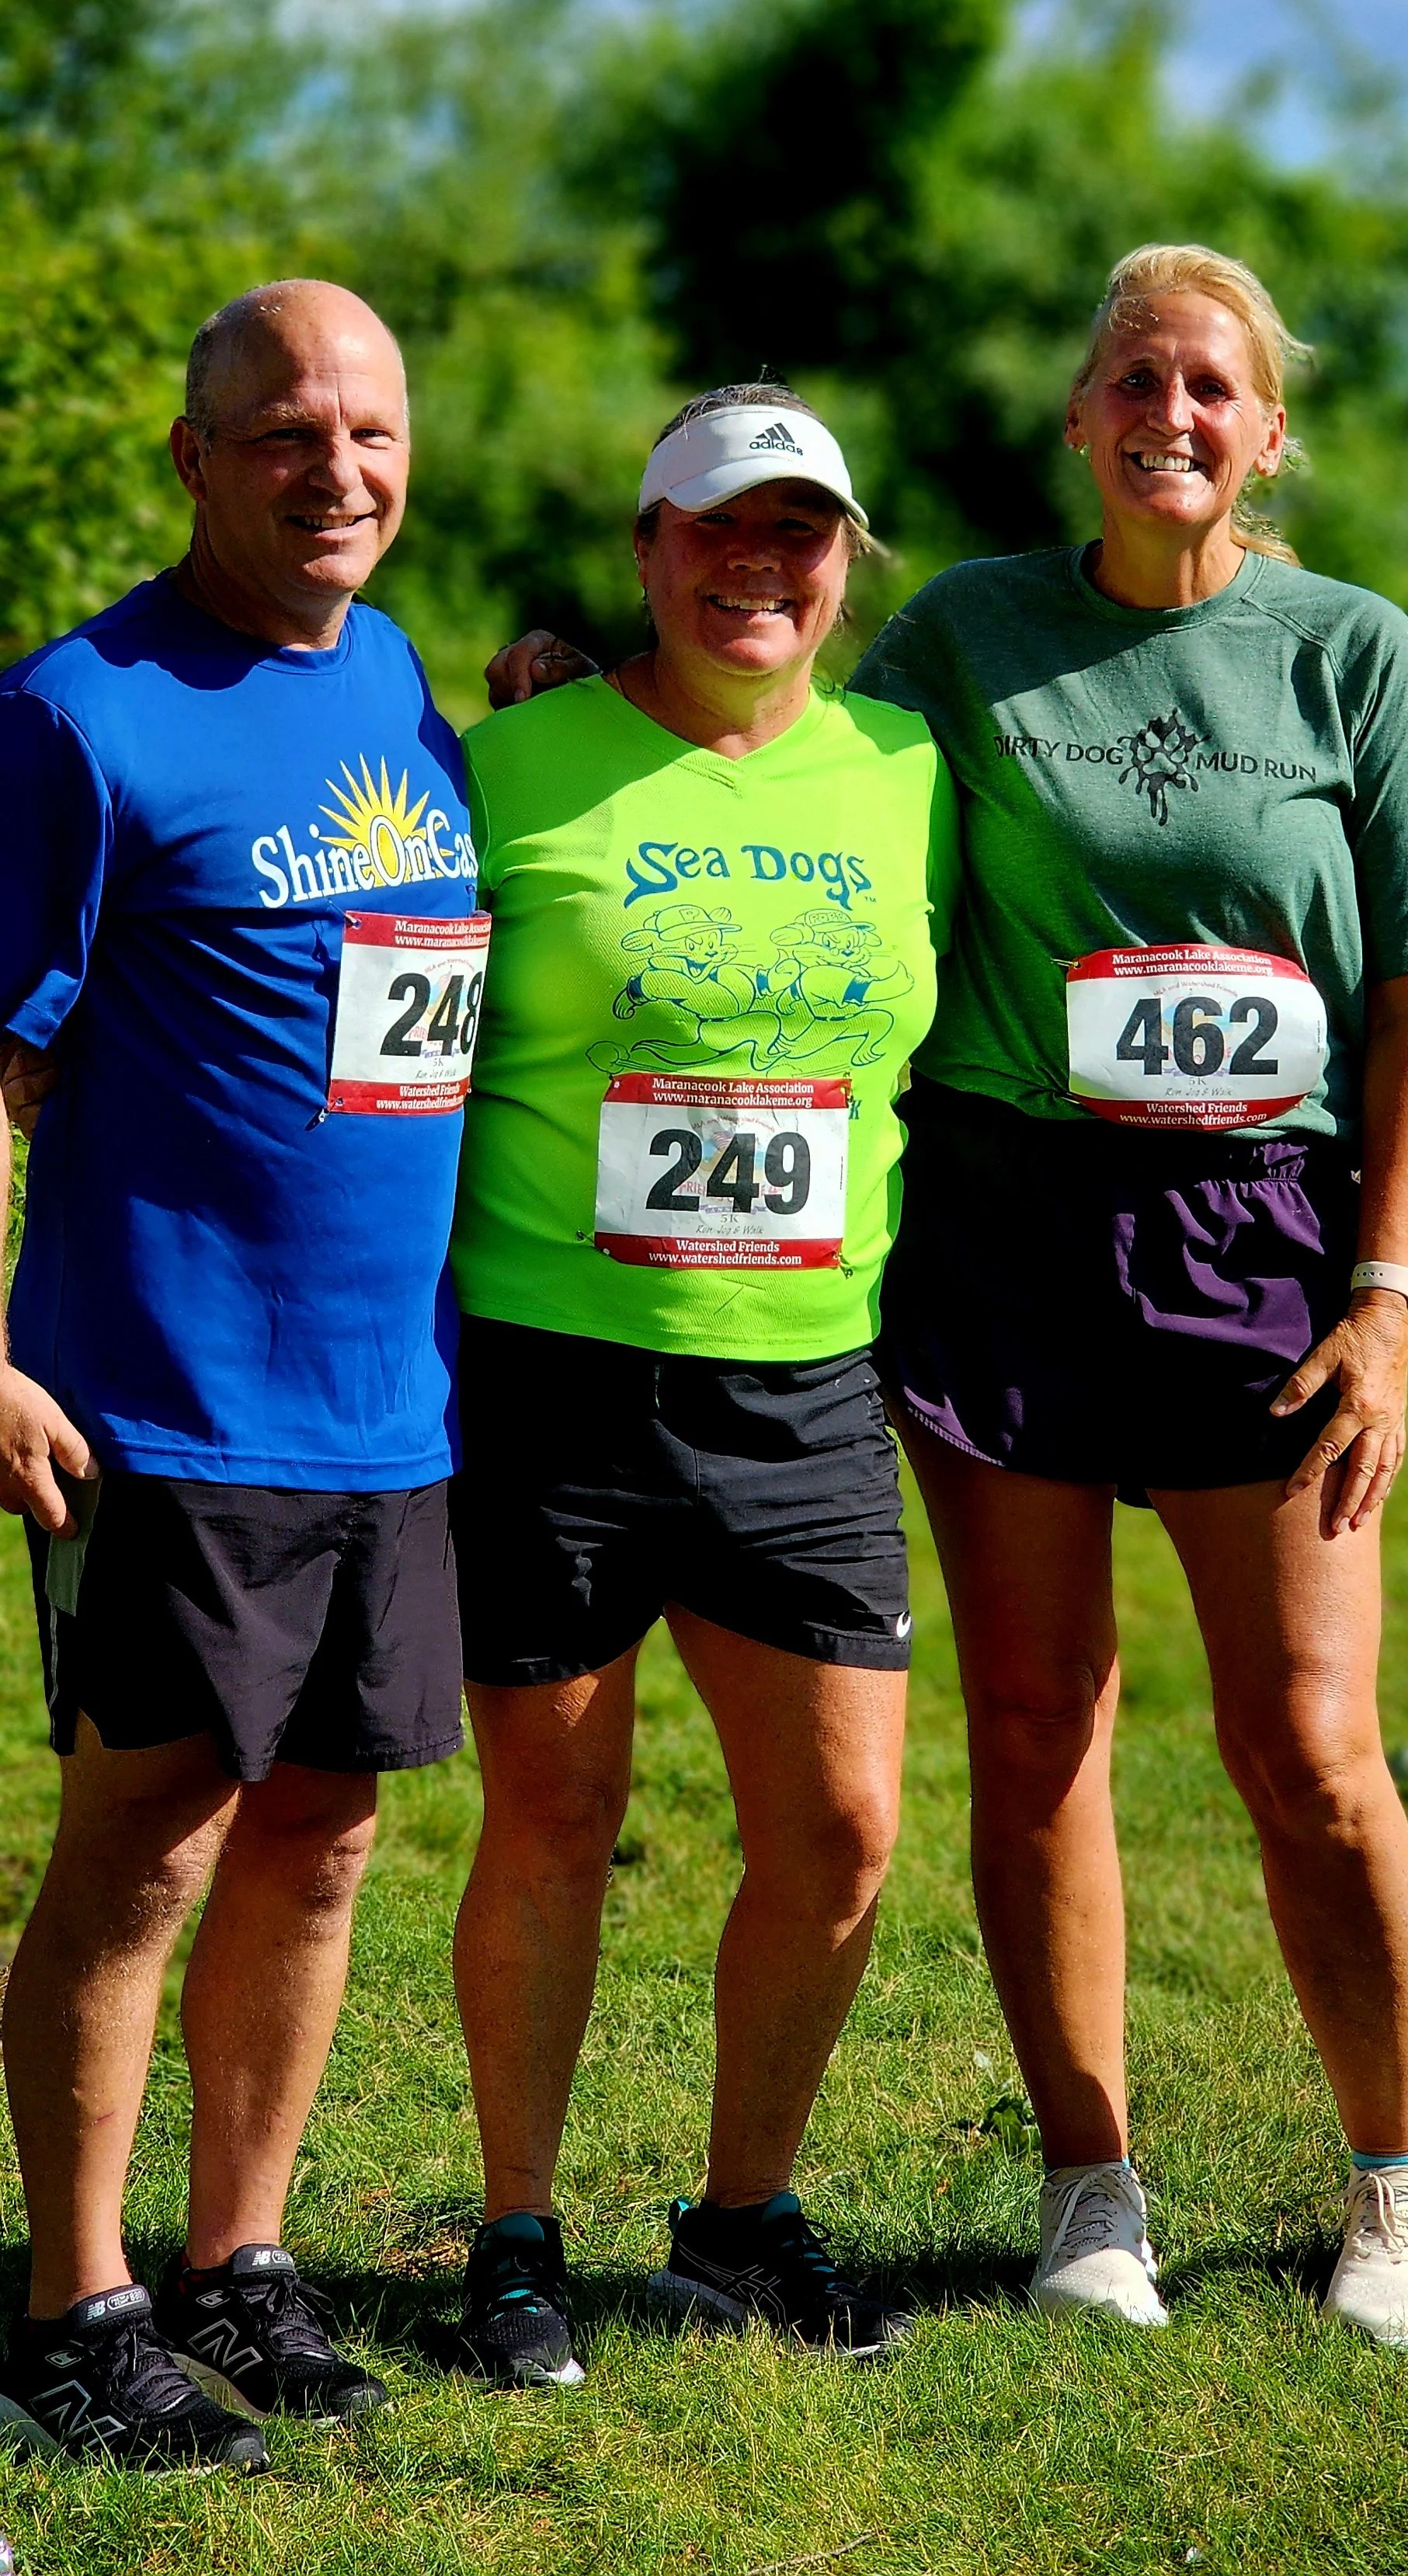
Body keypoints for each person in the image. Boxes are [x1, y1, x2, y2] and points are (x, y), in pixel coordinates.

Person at [851, 243, 1408, 2344]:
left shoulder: (1354, 657)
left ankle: (1401, 2185)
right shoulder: (964, 637)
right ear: (1078, 419)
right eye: (1132, 381)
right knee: (1032, 1730)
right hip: (1009, 1227)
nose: (1167, 417)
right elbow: (803, 788)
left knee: (1308, 1742)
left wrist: (1383, 1289)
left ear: (1262, 431)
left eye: (1208, 388)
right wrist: (603, 688)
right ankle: (1087, 2189)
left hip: (1269, 1244)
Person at [0, 280, 483, 2468]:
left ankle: (242, 2259)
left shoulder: (397, 682)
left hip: (388, 1407)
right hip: (160, 1397)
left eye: (372, 433)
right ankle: (75, 2300)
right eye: (288, 433)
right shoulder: (83, 717)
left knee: (323, 1835)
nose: (340, 471)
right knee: (151, 1851)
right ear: (195, 458)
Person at [447, 385, 960, 2385]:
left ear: (846, 560)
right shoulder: (511, 763)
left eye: (802, 529)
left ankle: (741, 2215)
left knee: (839, 1829)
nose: (760, 561)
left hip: (807, 1380)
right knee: (551, 1816)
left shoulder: (915, 767)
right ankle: (513, 2229)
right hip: (558, 1366)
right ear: (648, 544)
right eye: (716, 527)